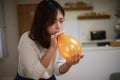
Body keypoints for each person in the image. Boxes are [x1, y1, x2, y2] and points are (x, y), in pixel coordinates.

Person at [15, 0, 84, 80]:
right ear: (41, 22)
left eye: (61, 21)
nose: (59, 27)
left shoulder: (60, 39)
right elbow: (34, 75)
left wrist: (68, 64)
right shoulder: (27, 39)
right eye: (53, 22)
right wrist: (52, 48)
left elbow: (57, 70)